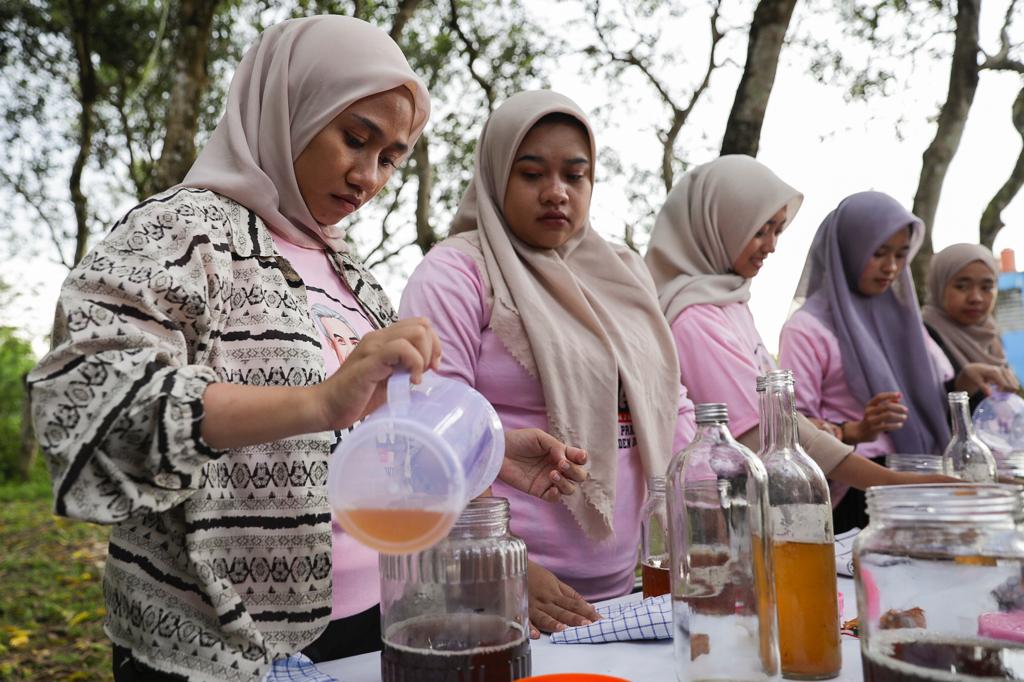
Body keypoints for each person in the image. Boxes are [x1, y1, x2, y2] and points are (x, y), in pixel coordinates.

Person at [28, 17, 582, 681]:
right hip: (215, 647)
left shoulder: (352, 271)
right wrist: (317, 401)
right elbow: (90, 411)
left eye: (391, 157)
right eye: (355, 138)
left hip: (376, 624)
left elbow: (361, 436)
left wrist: (474, 455)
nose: (367, 175)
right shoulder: (179, 236)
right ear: (289, 105)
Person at [399, 90, 697, 637]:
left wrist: (705, 519)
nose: (556, 192)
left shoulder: (625, 274)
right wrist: (501, 564)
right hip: (493, 596)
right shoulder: (459, 272)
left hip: (628, 585)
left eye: (575, 176)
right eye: (532, 173)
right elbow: (431, 427)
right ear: (495, 177)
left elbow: (670, 402)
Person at [644, 157, 955, 530]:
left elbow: (785, 415)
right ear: (719, 225)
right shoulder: (694, 318)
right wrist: (892, 483)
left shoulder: (730, 304)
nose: (771, 246)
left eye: (778, 230)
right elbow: (765, 429)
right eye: (760, 230)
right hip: (726, 517)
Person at [779, 192, 1017, 530]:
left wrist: (964, 379)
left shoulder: (904, 320)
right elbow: (793, 426)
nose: (891, 267)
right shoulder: (807, 329)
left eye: (901, 254)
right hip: (856, 489)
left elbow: (926, 396)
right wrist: (855, 429)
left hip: (919, 476)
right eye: (878, 253)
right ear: (849, 249)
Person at [922, 243, 1018, 409]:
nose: (976, 298)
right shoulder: (922, 336)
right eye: (962, 286)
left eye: (987, 287)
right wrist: (960, 388)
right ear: (939, 284)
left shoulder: (990, 335)